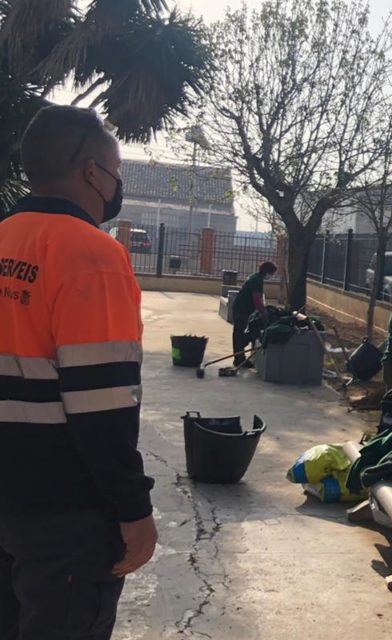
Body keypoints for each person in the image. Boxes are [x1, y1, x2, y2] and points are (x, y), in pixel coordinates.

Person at [0, 105, 157, 639]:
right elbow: (101, 406)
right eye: (116, 172)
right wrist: (134, 511)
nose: (117, 186)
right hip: (63, 510)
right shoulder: (91, 254)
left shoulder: (4, 238)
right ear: (92, 172)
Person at [230, 261, 277, 368]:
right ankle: (239, 359)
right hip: (241, 309)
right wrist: (263, 313)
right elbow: (256, 299)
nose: (271, 276)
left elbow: (259, 297)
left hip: (242, 308)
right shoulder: (257, 281)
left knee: (239, 334)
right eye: (271, 273)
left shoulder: (256, 277)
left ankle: (239, 357)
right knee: (239, 334)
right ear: (267, 272)